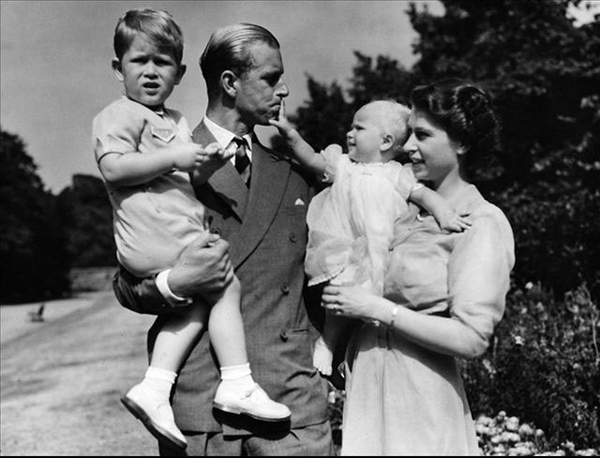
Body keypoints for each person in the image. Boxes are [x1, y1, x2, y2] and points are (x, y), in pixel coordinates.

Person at [111, 22, 334, 456]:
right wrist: (174, 284)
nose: (284, 90)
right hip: (201, 409)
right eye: (271, 77)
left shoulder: (294, 173)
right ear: (230, 82)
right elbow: (125, 282)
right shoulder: (156, 162)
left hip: (290, 405)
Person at [321, 79, 515, 455]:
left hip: (421, 407)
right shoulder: (402, 213)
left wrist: (379, 310)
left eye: (422, 135)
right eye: (409, 134)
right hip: (366, 397)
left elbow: (471, 338)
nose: (408, 146)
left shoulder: (481, 222)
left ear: (462, 142)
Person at [270, 99, 471, 377]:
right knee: (341, 295)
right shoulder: (342, 165)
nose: (349, 133)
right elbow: (313, 160)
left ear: (386, 141)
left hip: (380, 250)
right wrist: (290, 135)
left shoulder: (397, 174)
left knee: (371, 305)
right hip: (343, 246)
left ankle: (351, 355)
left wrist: (444, 213)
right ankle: (328, 342)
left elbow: (424, 195)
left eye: (359, 128)